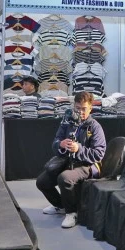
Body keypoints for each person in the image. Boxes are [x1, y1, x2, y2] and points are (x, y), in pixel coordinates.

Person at [37, 91, 107, 228]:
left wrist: (78, 149)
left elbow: (99, 154)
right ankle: (60, 206)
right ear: (74, 106)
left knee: (64, 178)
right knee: (42, 181)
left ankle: (72, 213)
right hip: (68, 161)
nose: (80, 112)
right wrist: (60, 144)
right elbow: (55, 142)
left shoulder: (95, 127)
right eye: (77, 108)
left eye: (84, 109)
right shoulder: (67, 122)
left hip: (88, 165)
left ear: (91, 108)